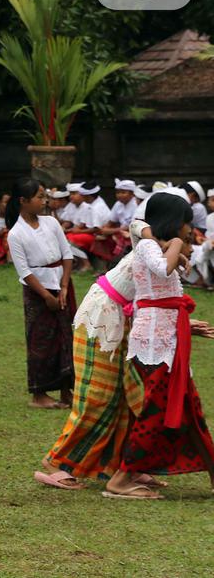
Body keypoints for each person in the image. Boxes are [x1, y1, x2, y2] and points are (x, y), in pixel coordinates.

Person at [33, 219, 170, 494]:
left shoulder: (171, 263)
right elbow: (136, 223)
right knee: (98, 395)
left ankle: (126, 466)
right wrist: (163, 240)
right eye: (187, 233)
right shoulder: (149, 245)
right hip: (101, 319)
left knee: (130, 395)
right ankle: (57, 463)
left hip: (126, 322)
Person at [116, 190, 214, 499]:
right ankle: (120, 480)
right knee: (155, 411)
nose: (189, 229)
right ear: (174, 222)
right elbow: (162, 269)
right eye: (186, 223)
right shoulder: (147, 244)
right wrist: (173, 244)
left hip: (168, 337)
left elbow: (164, 295)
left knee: (189, 407)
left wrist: (187, 324)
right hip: (154, 342)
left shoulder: (156, 245)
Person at [6, 176, 75, 411]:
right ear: (23, 201)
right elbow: (24, 271)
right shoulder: (16, 234)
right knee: (41, 341)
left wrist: (64, 286)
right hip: (38, 292)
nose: (43, 201)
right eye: (39, 197)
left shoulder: (51, 223)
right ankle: (39, 393)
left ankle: (67, 390)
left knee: (67, 336)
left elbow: (66, 254)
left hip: (62, 285)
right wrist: (46, 296)